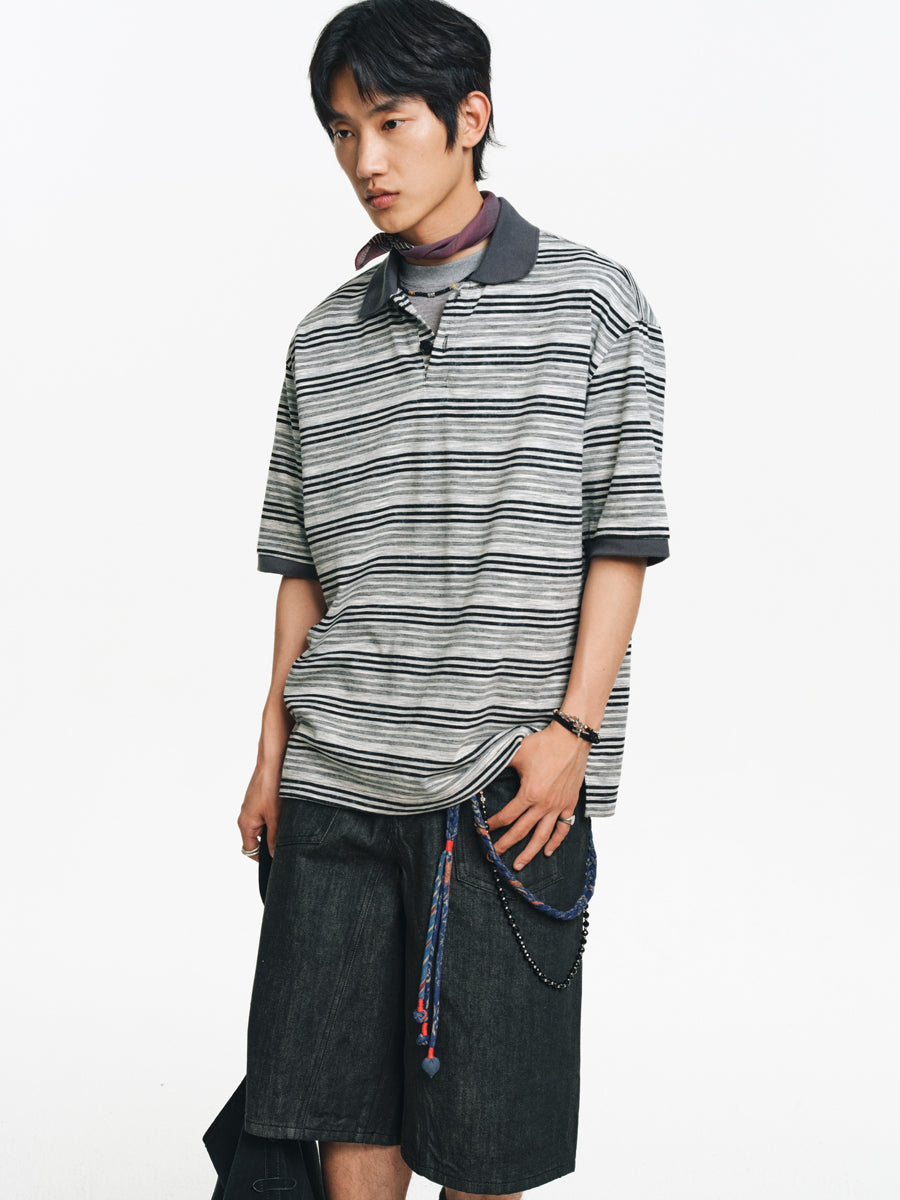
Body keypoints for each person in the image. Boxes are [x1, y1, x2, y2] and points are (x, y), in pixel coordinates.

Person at [235, 1, 670, 1197]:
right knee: (339, 1117)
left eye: (391, 122)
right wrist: (271, 755)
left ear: (469, 118)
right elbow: (304, 570)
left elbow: (620, 538)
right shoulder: (321, 339)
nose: (365, 159)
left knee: (487, 1144)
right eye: (342, 131)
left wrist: (574, 733)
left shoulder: (592, 302)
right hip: (333, 780)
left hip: (502, 786)